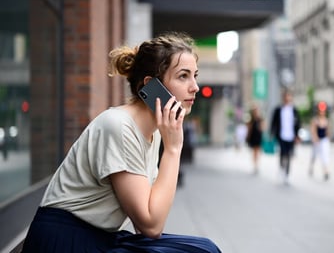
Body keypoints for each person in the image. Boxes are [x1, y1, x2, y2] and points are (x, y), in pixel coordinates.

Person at [22, 32, 221, 253]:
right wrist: (173, 150)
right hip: (64, 240)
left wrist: (169, 144)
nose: (195, 86)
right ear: (151, 86)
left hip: (100, 237)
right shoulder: (118, 126)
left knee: (203, 247)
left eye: (195, 75)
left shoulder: (153, 134)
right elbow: (150, 225)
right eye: (183, 76)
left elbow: (144, 222)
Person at [270, 89, 301, 184]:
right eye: (286, 96)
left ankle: (287, 174)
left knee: (289, 155)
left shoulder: (294, 110)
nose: (288, 98)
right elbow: (273, 122)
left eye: (289, 96)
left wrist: (297, 136)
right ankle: (281, 168)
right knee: (282, 153)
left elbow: (298, 124)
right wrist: (272, 133)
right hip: (281, 135)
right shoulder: (278, 109)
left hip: (291, 136)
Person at [309, 102, 330, 181]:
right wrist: (315, 138)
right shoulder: (315, 120)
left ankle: (326, 171)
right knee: (314, 156)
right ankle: (311, 168)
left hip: (324, 140)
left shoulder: (326, 120)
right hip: (317, 141)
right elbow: (313, 130)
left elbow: (327, 131)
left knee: (325, 156)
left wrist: (328, 138)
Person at [245, 105, 264, 174]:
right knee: (254, 151)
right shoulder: (251, 119)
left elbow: (263, 128)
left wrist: (261, 126)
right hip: (253, 136)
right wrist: (247, 137)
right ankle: (255, 164)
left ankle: (257, 164)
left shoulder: (260, 119)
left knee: (257, 151)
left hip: (258, 136)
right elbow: (248, 129)